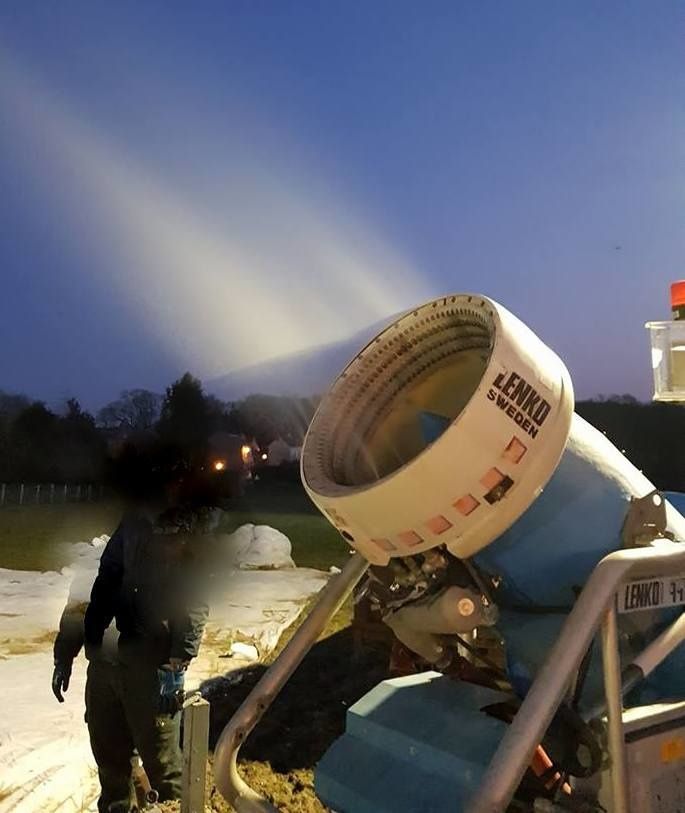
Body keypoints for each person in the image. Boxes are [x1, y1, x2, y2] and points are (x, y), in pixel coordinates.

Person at [81, 498, 210, 811]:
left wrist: (179, 661)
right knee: (108, 752)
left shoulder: (185, 526)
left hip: (152, 662)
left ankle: (175, 807)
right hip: (109, 658)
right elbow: (107, 574)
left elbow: (193, 598)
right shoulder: (133, 520)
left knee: (162, 760)